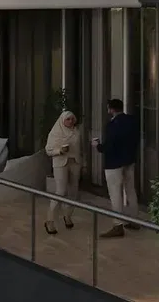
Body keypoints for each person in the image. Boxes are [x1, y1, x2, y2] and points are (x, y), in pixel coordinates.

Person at [93, 98, 140, 238]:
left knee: (115, 193)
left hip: (114, 163)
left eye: (108, 108)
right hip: (129, 160)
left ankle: (117, 225)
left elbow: (109, 146)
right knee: (131, 190)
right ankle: (135, 220)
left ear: (111, 109)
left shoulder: (112, 125)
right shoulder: (132, 120)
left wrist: (98, 146)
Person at [43, 110, 83, 235]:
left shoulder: (76, 131)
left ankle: (68, 215)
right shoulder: (55, 133)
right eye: (68, 119)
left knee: (73, 192)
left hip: (75, 163)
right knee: (60, 191)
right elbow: (48, 150)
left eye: (72, 119)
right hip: (61, 163)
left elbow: (80, 148)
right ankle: (50, 220)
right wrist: (59, 150)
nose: (70, 121)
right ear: (62, 121)